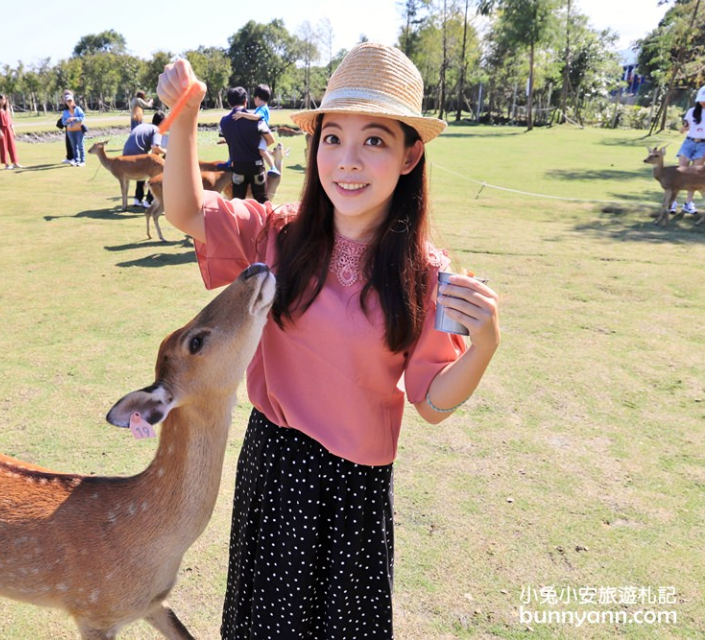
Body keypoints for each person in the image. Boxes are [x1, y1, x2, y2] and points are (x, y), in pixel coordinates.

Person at [157, 43, 500, 639]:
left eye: (374, 140)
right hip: (276, 469)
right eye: (332, 138)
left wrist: (487, 343)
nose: (347, 160)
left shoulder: (425, 274)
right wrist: (184, 118)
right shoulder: (276, 233)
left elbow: (432, 403)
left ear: (410, 154)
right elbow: (185, 211)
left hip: (356, 495)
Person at [218, 86, 274, 204]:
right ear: (245, 101)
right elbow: (270, 140)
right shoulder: (257, 120)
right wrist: (260, 148)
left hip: (237, 166)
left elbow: (228, 139)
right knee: (262, 201)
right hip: (256, 166)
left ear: (229, 102)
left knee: (237, 202)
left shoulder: (223, 122)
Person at [231, 84, 278, 175]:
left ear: (257, 98)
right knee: (256, 150)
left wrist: (242, 114)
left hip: (261, 135)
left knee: (261, 151)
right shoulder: (261, 108)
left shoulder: (262, 109)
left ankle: (273, 167)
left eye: (254, 98)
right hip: (258, 134)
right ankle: (271, 154)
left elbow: (256, 117)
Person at [672, 85, 705, 215]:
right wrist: (683, 129)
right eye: (702, 99)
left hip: (703, 145)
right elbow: (686, 126)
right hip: (689, 143)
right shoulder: (692, 111)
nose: (703, 102)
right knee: (680, 172)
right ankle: (673, 202)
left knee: (694, 176)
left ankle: (688, 203)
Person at [123, 111, 166, 207]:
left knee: (142, 173)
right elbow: (155, 147)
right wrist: (167, 152)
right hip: (137, 157)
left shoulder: (144, 126)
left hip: (126, 157)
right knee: (155, 173)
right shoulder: (157, 130)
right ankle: (149, 201)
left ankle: (137, 199)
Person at [0, 93, 24, 170]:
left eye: (3, 99)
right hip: (2, 129)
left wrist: (13, 130)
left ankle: (15, 162)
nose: (2, 101)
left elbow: (10, 120)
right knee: (3, 146)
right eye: (1, 99)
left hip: (8, 129)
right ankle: (6, 164)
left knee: (12, 146)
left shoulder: (7, 108)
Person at [61, 93, 86, 166]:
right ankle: (76, 160)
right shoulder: (65, 112)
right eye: (68, 101)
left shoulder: (78, 109)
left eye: (70, 100)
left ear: (73, 101)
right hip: (70, 131)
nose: (69, 102)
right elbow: (63, 122)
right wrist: (67, 121)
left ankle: (82, 161)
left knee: (80, 146)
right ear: (66, 102)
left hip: (79, 130)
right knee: (73, 147)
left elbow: (83, 117)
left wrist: (74, 118)